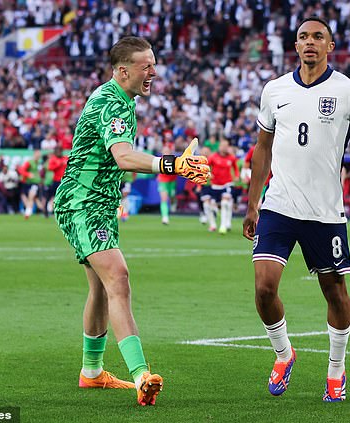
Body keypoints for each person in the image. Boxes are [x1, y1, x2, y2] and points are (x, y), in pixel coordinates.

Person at [242, 17, 350, 403]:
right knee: (264, 289)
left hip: (324, 212)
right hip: (278, 205)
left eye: (318, 36)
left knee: (335, 292)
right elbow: (262, 149)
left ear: (330, 46)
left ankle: (336, 370)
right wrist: (253, 203)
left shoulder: (349, 91)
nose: (310, 42)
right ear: (295, 46)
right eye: (303, 37)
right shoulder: (275, 90)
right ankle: (284, 354)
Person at [53, 36, 209, 407]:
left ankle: (92, 373)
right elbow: (123, 157)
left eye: (154, 64)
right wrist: (172, 164)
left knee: (102, 288)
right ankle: (142, 376)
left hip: (98, 204)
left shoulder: (118, 98)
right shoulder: (113, 104)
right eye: (146, 65)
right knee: (118, 279)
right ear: (124, 70)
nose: (153, 71)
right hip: (84, 204)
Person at [205, 139, 239, 233]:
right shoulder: (213, 157)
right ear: (219, 146)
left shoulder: (231, 158)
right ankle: (213, 225)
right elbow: (206, 167)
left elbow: (235, 168)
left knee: (225, 203)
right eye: (222, 145)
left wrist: (236, 176)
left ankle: (223, 225)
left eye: (226, 146)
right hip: (215, 185)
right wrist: (209, 174)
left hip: (227, 184)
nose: (224, 147)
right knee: (210, 206)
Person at [157, 143, 178, 225]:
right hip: (163, 181)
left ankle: (173, 202)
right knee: (164, 198)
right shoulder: (159, 160)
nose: (166, 153)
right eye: (164, 151)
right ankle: (165, 217)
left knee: (172, 196)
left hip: (172, 182)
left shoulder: (174, 160)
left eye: (167, 151)